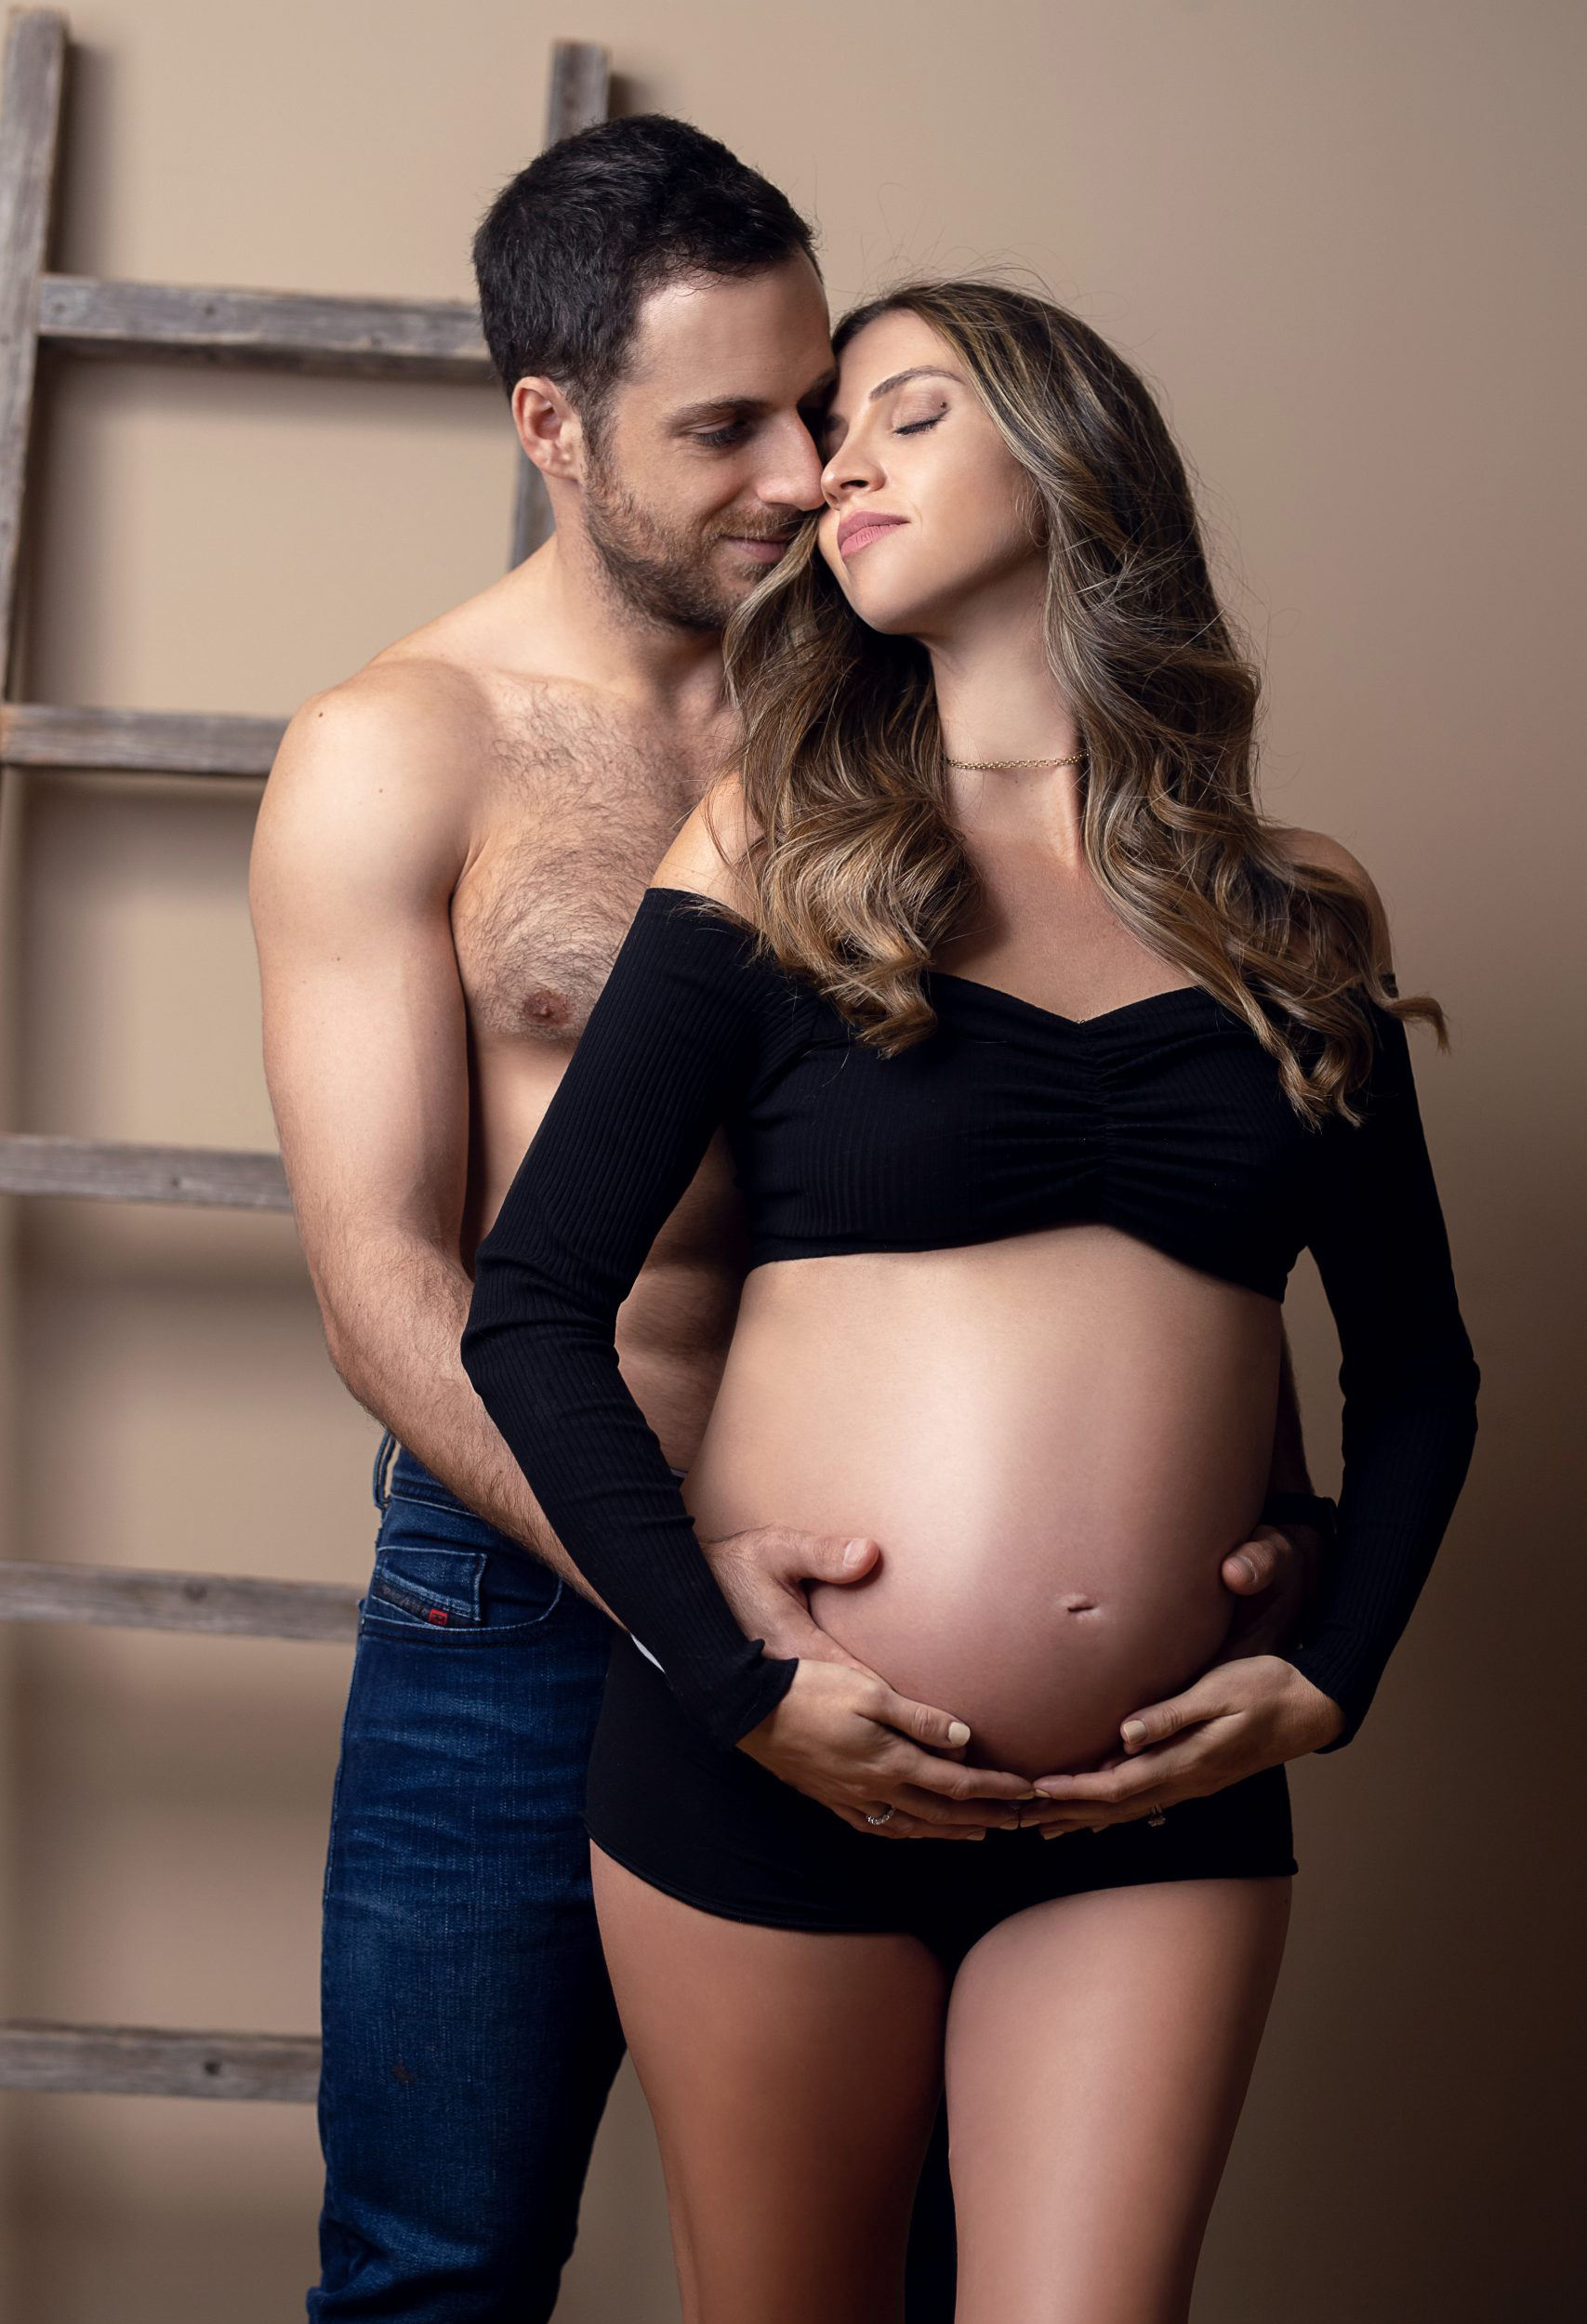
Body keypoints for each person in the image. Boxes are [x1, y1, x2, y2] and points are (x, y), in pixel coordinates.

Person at [252, 114, 1331, 2323]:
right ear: (550, 427)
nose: (798, 471)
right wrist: (694, 1622)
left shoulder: (899, 692)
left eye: (824, 406)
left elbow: (1131, 1169)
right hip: (528, 1591)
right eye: (723, 425)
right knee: (438, 2259)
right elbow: (389, 1281)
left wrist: (1256, 1498)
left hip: (886, 1647)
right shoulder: (408, 747)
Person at [459, 276, 1482, 2324]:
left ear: (1065, 456)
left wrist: (1333, 1664)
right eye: (832, 427)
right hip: (764, 1776)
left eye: (901, 415)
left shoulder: (1291, 911)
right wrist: (737, 1682)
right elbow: (533, 1305)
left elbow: (1420, 1372)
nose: (835, 462)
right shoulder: (775, 850)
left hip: (1155, 1795)